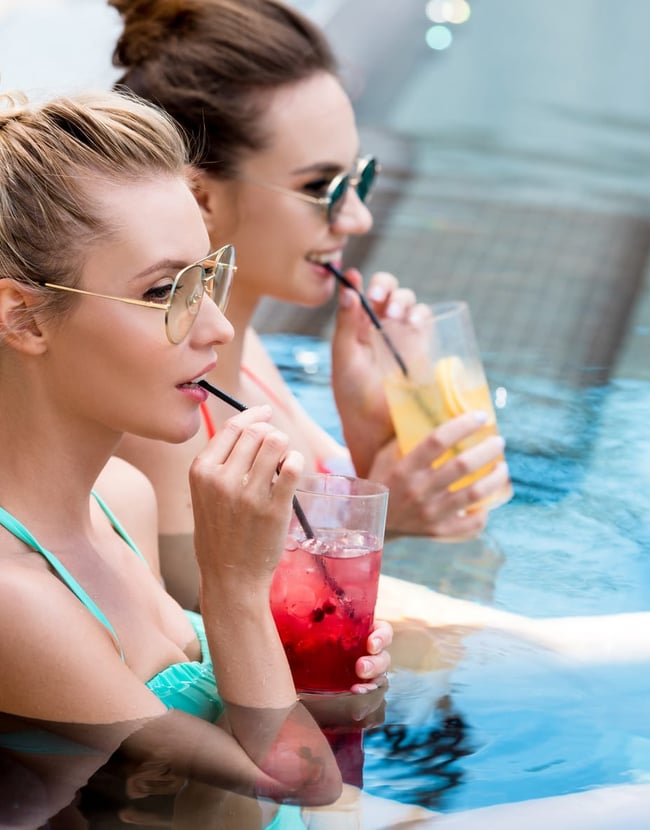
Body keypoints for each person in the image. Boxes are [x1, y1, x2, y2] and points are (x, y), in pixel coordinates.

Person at [0, 88, 375, 826]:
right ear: (23, 318)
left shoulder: (124, 496)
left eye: (208, 277)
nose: (214, 328)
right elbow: (292, 790)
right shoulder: (14, 597)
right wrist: (234, 585)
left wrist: (340, 680)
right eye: (165, 290)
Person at [106, 0, 512, 609]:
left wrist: (369, 431)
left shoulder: (248, 356)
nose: (358, 215)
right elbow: (218, 623)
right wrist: (386, 519)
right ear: (202, 195)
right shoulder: (164, 422)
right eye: (321, 188)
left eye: (359, 178)